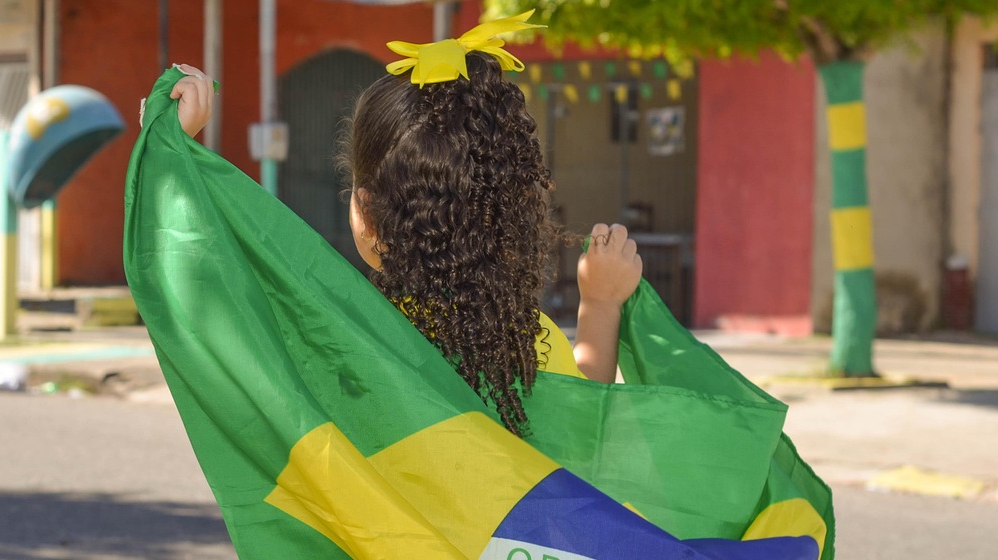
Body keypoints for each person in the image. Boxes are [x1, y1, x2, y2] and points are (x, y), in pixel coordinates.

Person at [169, 36, 643, 436]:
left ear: (367, 212)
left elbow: (207, 315)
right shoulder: (526, 347)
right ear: (511, 214)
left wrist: (173, 159)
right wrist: (600, 304)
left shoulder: (345, 338)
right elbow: (585, 431)